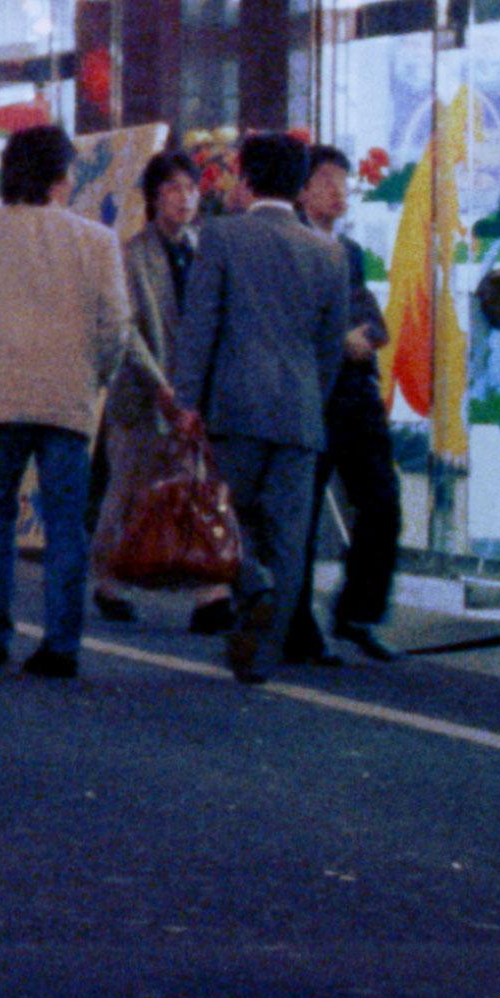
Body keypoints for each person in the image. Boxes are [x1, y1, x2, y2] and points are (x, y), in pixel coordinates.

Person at [0, 125, 146, 680]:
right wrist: (94, 375)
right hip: (68, 399)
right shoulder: (96, 240)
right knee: (64, 526)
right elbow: (117, 327)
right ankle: (60, 645)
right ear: (64, 175)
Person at [172, 131, 357, 685]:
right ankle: (264, 651)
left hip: (235, 407)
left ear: (245, 179)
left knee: (230, 520)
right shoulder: (330, 252)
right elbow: (330, 347)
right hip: (300, 412)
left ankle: (254, 590)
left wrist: (187, 400)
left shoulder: (222, 235)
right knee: (290, 534)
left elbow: (200, 323)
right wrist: (310, 399)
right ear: (301, 185)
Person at [96, 150, 236, 633]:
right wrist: (162, 387)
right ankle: (108, 581)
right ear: (153, 198)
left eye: (192, 189)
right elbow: (128, 331)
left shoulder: (204, 248)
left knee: (199, 489)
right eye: (174, 189)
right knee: (129, 491)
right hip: (141, 395)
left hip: (195, 395)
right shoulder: (131, 254)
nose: (185, 198)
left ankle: (209, 592)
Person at [285, 144, 400, 665]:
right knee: (301, 515)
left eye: (344, 183)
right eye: (327, 181)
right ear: (303, 189)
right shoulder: (284, 244)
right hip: (306, 393)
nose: (338, 192)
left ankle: (356, 611)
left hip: (355, 394)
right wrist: (338, 341)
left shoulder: (350, 251)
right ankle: (295, 626)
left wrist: (363, 336)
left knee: (381, 501)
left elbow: (368, 314)